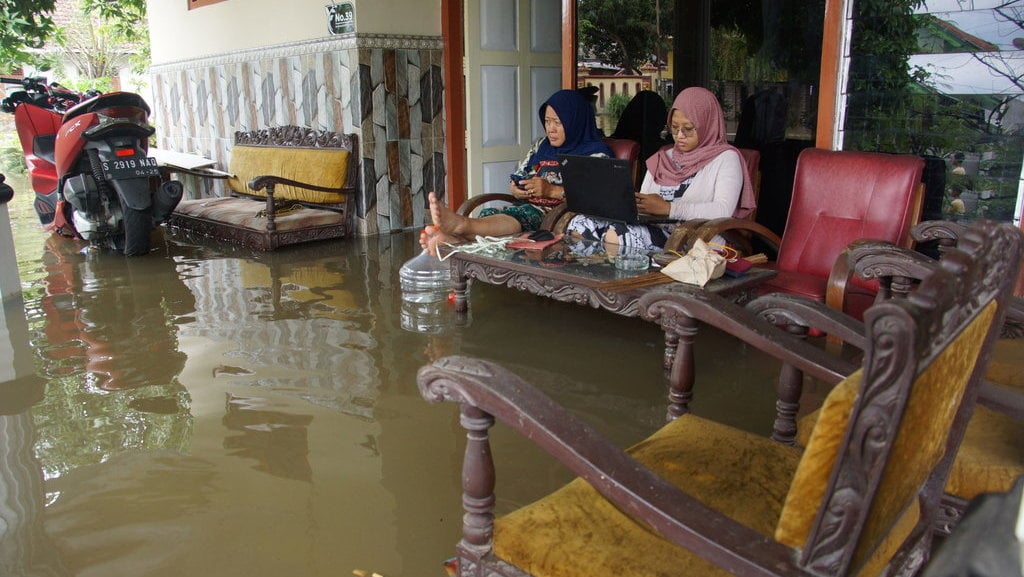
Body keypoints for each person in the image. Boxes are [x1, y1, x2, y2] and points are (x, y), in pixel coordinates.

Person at [421, 89, 612, 254]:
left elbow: (598, 197)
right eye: (547, 121)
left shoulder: (595, 154)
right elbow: (521, 173)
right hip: (529, 207)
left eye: (557, 123)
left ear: (575, 122)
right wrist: (516, 189)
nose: (550, 129)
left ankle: (462, 226)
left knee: (522, 216)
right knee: (491, 211)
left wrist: (551, 191)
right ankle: (456, 241)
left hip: (561, 217)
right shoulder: (542, 146)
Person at [566, 86, 755, 251]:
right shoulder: (664, 157)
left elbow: (722, 210)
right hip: (657, 229)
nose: (679, 136)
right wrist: (627, 205)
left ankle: (615, 289)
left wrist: (669, 209)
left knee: (621, 236)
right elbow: (645, 204)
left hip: (698, 239)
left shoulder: (725, 158)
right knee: (581, 223)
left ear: (707, 124)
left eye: (688, 129)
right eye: (674, 128)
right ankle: (590, 285)